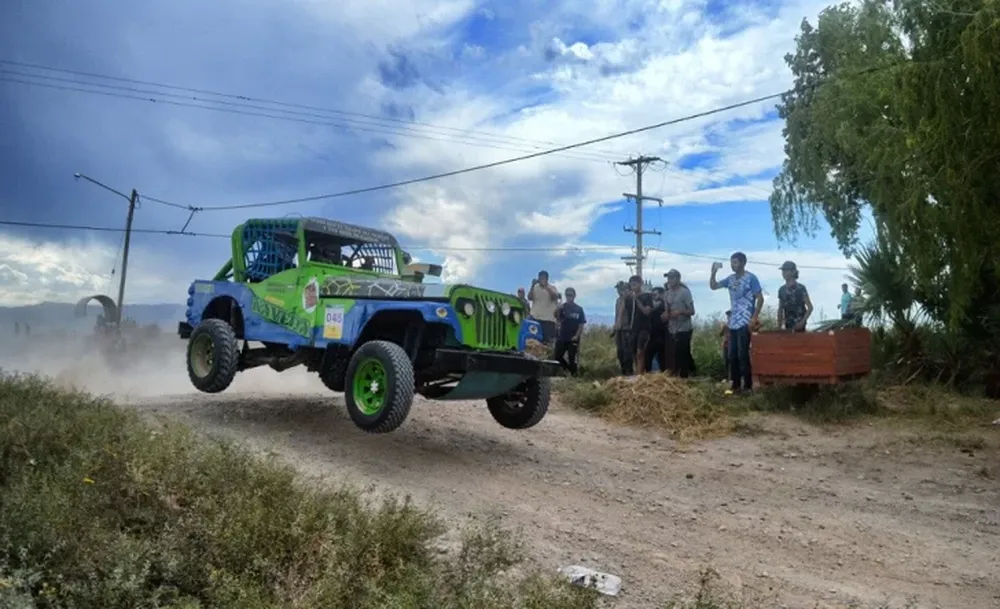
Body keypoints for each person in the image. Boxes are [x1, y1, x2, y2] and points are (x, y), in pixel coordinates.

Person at [710, 252, 763, 395]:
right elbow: (713, 286)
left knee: (742, 354)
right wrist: (713, 272)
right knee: (731, 355)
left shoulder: (751, 278)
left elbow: (760, 298)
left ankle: (748, 385)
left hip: (745, 321)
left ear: (742, 263)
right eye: (731, 262)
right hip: (733, 321)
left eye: (735, 262)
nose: (732, 265)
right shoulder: (730, 279)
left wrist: (754, 317)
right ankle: (735, 385)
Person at [663, 269, 696, 378]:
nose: (669, 280)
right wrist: (665, 315)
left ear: (678, 279)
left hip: (684, 328)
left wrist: (680, 312)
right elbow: (667, 310)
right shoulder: (667, 294)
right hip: (672, 328)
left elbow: (692, 311)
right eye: (668, 278)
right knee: (673, 354)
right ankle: (677, 375)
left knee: (682, 353)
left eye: (672, 278)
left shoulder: (684, 292)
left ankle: (685, 376)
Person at [622, 274, 654, 374]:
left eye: (635, 285)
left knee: (641, 352)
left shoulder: (647, 296)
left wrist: (636, 300)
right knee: (634, 353)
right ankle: (638, 371)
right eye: (631, 285)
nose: (633, 287)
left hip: (644, 328)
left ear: (641, 284)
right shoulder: (628, 299)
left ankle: (640, 375)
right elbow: (624, 312)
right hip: (633, 328)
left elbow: (646, 312)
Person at [553, 287, 586, 376]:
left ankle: (574, 375)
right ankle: (567, 369)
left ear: (574, 296)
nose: (568, 297)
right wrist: (558, 308)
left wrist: (577, 335)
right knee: (557, 356)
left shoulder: (579, 309)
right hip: (562, 336)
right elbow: (555, 316)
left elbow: (581, 323)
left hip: (573, 337)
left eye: (570, 295)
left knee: (572, 358)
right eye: (567, 295)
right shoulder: (562, 307)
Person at [776, 261, 813, 332]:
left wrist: (802, 322)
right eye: (783, 271)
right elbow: (780, 309)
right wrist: (779, 326)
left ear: (793, 272)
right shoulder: (782, 289)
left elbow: (810, 308)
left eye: (786, 270)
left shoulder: (801, 288)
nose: (783, 273)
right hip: (787, 325)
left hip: (799, 326)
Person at [527, 270, 561, 344]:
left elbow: (554, 297)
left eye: (543, 278)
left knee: (547, 342)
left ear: (547, 278)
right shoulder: (535, 287)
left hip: (548, 320)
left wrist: (546, 287)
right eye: (540, 278)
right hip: (535, 318)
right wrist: (532, 285)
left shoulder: (552, 288)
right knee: (532, 341)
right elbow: (529, 297)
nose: (541, 279)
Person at [611, 281, 633, 375]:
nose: (620, 291)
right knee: (620, 352)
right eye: (618, 289)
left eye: (622, 289)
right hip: (619, 329)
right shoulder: (618, 300)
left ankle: (629, 371)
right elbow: (617, 314)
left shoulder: (630, 300)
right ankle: (623, 370)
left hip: (627, 328)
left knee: (627, 351)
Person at [646, 287, 668, 373]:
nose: (653, 297)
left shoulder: (664, 305)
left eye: (655, 295)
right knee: (650, 355)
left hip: (661, 335)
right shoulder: (656, 306)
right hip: (653, 335)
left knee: (661, 356)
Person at [719, 310, 732, 381]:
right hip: (725, 345)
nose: (728, 317)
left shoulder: (735, 325)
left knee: (732, 362)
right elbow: (720, 334)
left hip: (732, 346)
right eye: (728, 315)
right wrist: (723, 328)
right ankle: (727, 378)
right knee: (726, 362)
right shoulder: (725, 325)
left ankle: (732, 378)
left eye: (730, 315)